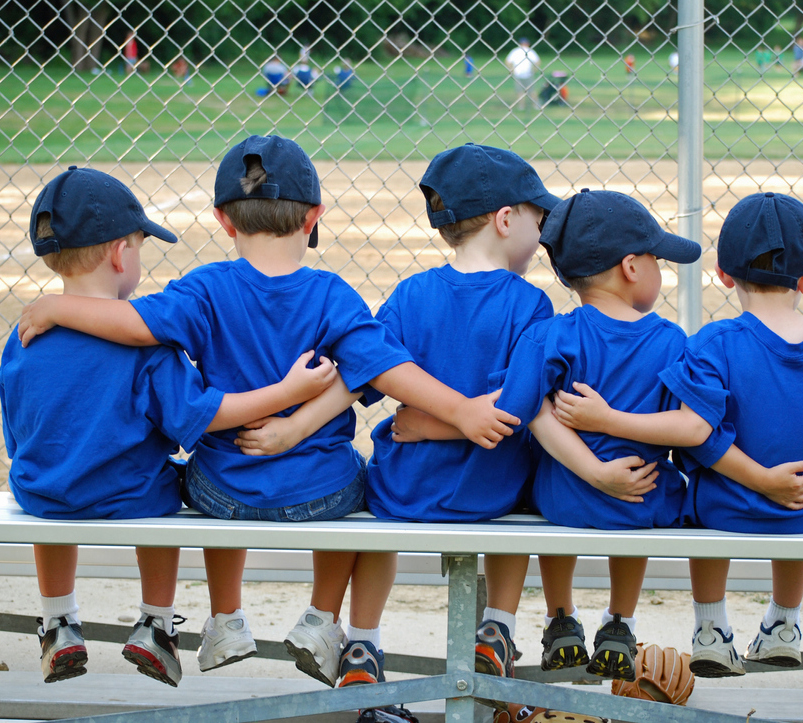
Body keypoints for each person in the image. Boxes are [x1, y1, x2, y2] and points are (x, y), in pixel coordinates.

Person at [16, 136, 521, 682]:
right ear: (313, 217)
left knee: (204, 464)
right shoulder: (331, 293)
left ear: (224, 220)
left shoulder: (205, 288)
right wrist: (463, 410)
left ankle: (226, 619)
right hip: (319, 495)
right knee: (359, 473)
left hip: (221, 496)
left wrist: (58, 305)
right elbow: (383, 367)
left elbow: (135, 325)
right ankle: (322, 618)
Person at [239, 144, 567, 700]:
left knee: (371, 487)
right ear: (506, 220)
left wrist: (298, 427)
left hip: (406, 491)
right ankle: (497, 629)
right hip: (493, 491)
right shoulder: (529, 304)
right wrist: (464, 420)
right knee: (531, 472)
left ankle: (363, 642)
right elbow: (515, 407)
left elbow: (356, 375)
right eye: (538, 220)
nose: (541, 235)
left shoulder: (411, 294)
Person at [1, 166, 338, 687]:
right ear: (119, 254)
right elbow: (204, 415)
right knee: (167, 481)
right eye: (139, 247)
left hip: (43, 494)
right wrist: (289, 395)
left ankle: (58, 621)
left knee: (49, 478)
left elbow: (20, 436)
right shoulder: (148, 348)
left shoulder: (23, 335)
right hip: (130, 496)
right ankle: (155, 623)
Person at [497, 190, 803, 684]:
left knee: (543, 488)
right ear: (631, 267)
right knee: (650, 495)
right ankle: (621, 622)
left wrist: (589, 469)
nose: (660, 270)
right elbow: (691, 432)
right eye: (657, 259)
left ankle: (561, 617)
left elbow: (524, 409)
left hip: (561, 499)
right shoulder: (672, 341)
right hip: (640, 500)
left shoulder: (549, 334)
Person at [574, 192, 803, 678]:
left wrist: (759, 480)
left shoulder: (714, 344)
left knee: (700, 503)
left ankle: (711, 631)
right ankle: (784, 623)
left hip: (727, 512)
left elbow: (698, 436)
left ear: (722, 273)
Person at [505, 37, 541, 111]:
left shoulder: (529, 51)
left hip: (527, 74)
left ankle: (534, 105)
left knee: (531, 91)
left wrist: (534, 70)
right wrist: (512, 69)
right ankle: (522, 106)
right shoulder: (516, 51)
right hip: (519, 74)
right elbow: (508, 61)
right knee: (520, 91)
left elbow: (538, 61)